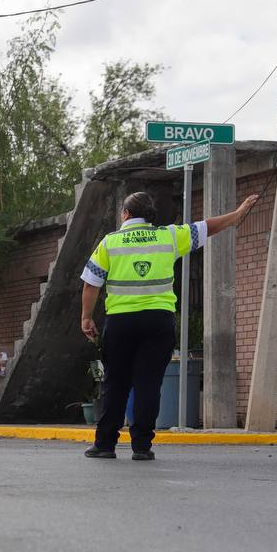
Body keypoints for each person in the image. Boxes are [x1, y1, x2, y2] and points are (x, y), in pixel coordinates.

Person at [80, 190, 260, 460]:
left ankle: (105, 445)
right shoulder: (169, 236)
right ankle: (142, 447)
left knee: (116, 383)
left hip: (121, 323)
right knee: (148, 384)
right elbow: (206, 227)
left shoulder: (110, 242)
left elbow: (91, 284)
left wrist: (86, 317)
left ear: (126, 214)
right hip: (158, 322)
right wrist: (236, 214)